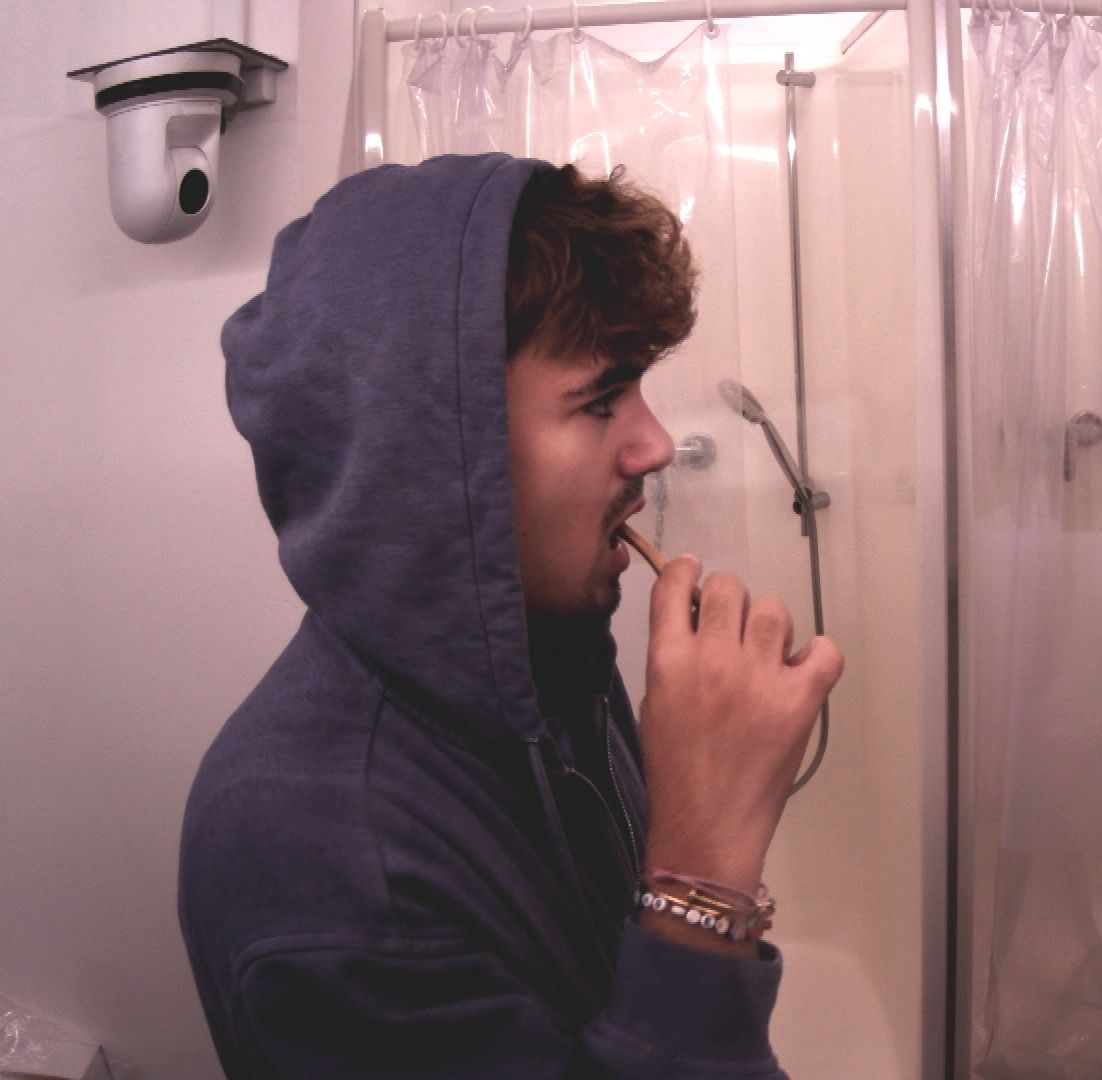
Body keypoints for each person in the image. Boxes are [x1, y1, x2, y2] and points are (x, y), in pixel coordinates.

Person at [178, 155, 843, 1078]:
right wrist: (703, 876)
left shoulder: (553, 663)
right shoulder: (320, 866)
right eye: (599, 400)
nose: (655, 445)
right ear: (440, 455)